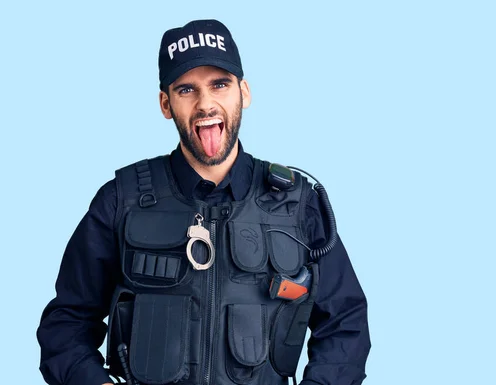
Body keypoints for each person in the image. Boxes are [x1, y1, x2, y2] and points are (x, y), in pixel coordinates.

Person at [37, 19, 370, 385]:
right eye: (186, 90)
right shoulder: (121, 199)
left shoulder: (297, 203)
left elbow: (346, 323)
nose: (205, 104)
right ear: (166, 104)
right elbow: (65, 324)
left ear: (244, 92)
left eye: (220, 85)